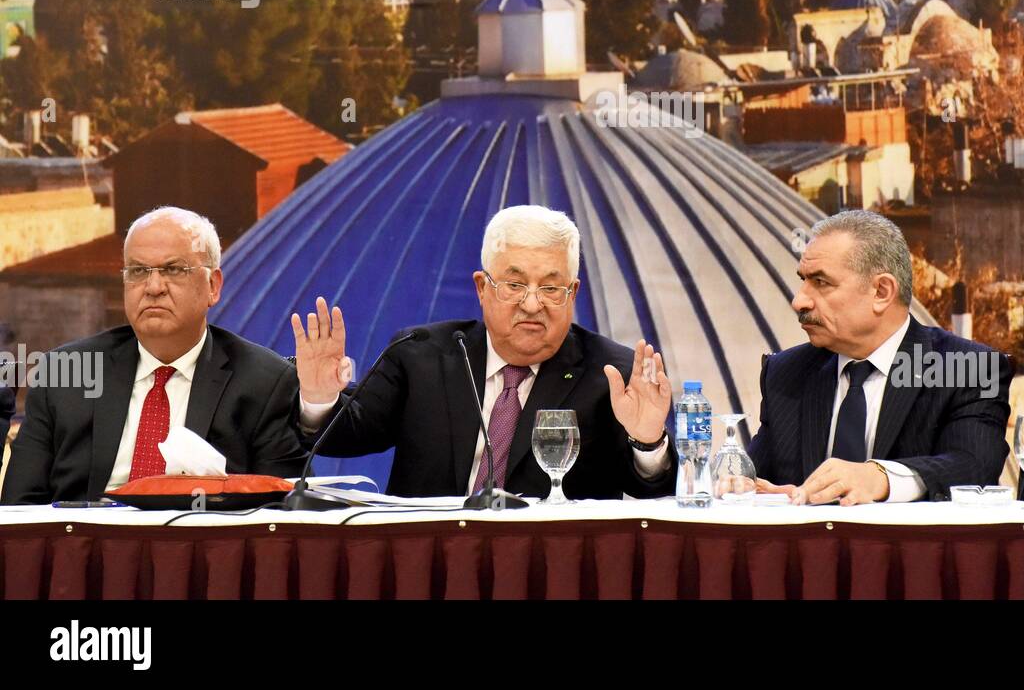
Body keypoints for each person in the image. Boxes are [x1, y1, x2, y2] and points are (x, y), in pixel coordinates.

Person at [294, 205, 675, 500]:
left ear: (572, 293)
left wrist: (647, 442)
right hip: (427, 568)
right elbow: (346, 436)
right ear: (482, 287)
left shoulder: (610, 375)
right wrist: (318, 396)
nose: (531, 304)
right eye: (514, 284)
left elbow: (649, 491)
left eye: (550, 288)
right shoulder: (419, 356)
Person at [1, 207, 306, 504]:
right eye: (138, 271)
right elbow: (21, 507)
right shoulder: (66, 374)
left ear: (213, 286)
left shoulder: (264, 383)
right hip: (87, 548)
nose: (154, 287)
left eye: (173, 270)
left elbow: (282, 516)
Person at [748, 210, 1011, 504]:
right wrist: (740, 487)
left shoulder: (966, 368)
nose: (799, 301)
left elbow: (974, 467)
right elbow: (757, 477)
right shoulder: (786, 373)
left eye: (821, 282)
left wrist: (881, 478)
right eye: (803, 281)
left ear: (882, 292)